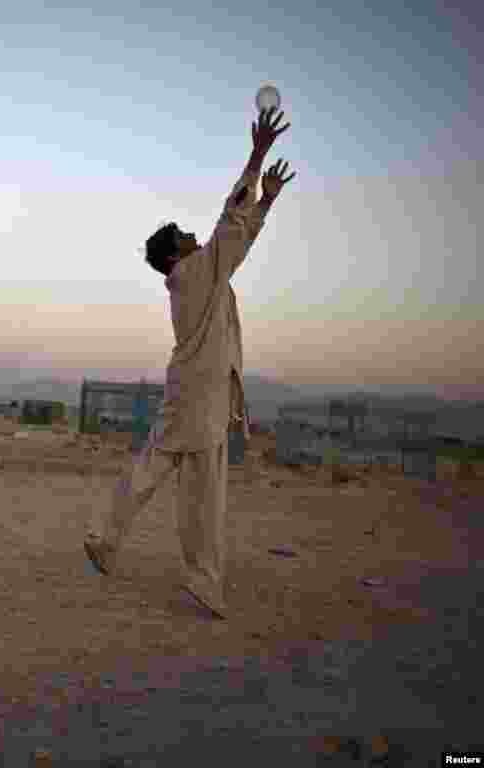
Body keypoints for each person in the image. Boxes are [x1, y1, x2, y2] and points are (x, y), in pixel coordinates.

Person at [83, 107, 296, 620]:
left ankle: (107, 539)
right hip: (201, 394)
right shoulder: (196, 271)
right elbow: (229, 228)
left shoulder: (196, 274)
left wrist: (264, 203)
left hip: (194, 390)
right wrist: (257, 155)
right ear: (174, 252)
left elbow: (234, 239)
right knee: (203, 491)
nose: (193, 235)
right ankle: (200, 578)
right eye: (183, 234)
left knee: (157, 464)